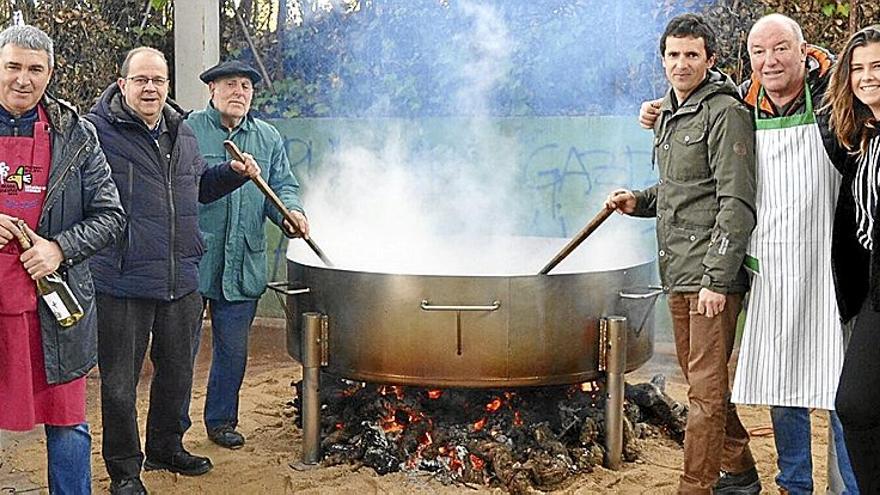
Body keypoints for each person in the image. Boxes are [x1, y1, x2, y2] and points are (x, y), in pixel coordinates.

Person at [640, 14, 861, 494]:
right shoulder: (746, 102)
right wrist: (659, 108)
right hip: (773, 270)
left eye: (781, 48)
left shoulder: (831, 103)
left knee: (842, 391)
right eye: (759, 52)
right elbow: (697, 107)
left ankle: (849, 489)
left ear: (803, 51)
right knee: (782, 381)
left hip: (832, 269)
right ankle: (794, 484)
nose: (770, 60)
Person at [86, 47, 261, 495]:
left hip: (180, 277)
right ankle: (125, 470)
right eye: (141, 79)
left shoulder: (180, 132)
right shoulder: (95, 133)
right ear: (122, 83)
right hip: (122, 278)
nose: (150, 88)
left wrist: (234, 174)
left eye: (158, 81)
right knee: (121, 384)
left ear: (168, 86)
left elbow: (197, 188)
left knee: (178, 372)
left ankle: (167, 447)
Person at [605, 13, 759, 494]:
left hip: (709, 277)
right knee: (704, 386)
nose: (681, 63)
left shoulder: (725, 112)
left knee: (704, 393)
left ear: (710, 59)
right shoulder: (670, 112)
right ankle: (740, 471)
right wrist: (638, 202)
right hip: (679, 270)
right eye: (673, 54)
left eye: (692, 54)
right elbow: (681, 191)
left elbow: (735, 202)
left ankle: (695, 486)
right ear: (664, 60)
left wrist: (717, 277)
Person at [0, 25, 125, 494]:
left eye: (35, 69)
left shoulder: (76, 134)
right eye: (13, 66)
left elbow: (111, 215)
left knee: (68, 423)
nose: (23, 79)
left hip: (57, 307)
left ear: (50, 73)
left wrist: (59, 249)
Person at [182, 60, 309, 449]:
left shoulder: (268, 138)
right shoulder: (187, 131)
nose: (239, 92)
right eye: (230, 85)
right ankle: (171, 432)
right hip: (193, 260)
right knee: (179, 353)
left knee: (233, 351)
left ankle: (221, 422)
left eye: (246, 87)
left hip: (243, 264)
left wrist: (292, 214)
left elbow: (282, 187)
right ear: (211, 90)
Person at [825, 24, 880, 493]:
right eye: (858, 68)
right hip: (868, 292)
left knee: (857, 403)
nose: (867, 77)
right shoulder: (866, 139)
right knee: (861, 405)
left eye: (878, 66)